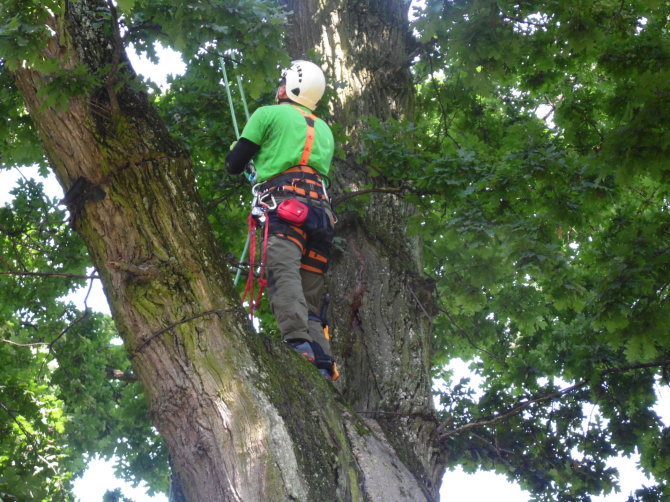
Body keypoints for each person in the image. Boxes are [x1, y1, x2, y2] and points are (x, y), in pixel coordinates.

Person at [226, 60, 338, 381]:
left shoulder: (267, 115)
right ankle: (323, 362)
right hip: (322, 217)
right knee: (311, 293)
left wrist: (243, 155)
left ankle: (297, 343)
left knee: (282, 273)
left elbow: (234, 164)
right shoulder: (325, 130)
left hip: (287, 209)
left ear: (289, 87)